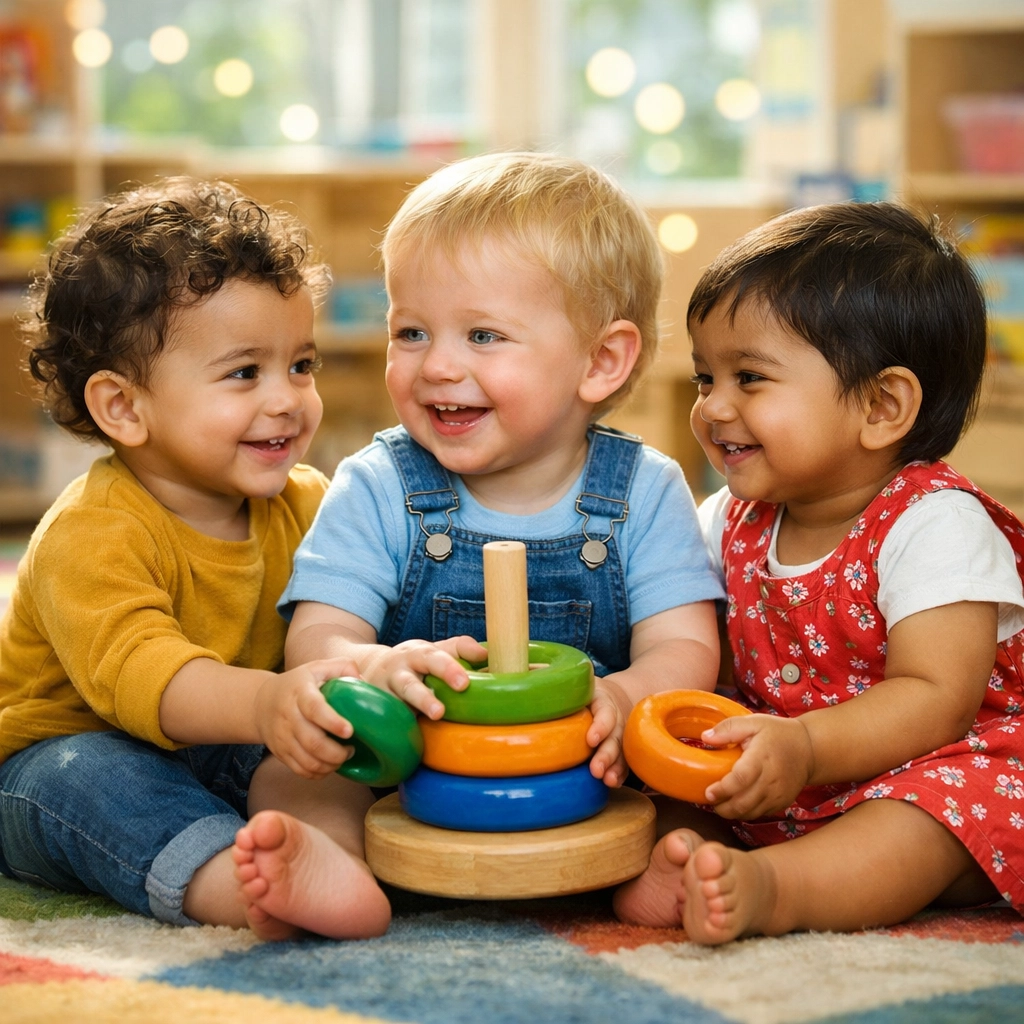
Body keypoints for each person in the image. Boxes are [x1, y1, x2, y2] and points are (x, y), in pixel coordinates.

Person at [281, 152, 724, 913]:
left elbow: (686, 646)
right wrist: (373, 666)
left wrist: (627, 696)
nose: (438, 366)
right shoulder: (379, 481)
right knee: (294, 773)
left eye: (483, 336)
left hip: (582, 776)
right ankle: (330, 869)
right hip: (413, 779)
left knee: (699, 793)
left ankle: (649, 878)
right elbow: (316, 636)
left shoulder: (645, 489)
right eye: (412, 332)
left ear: (600, 361)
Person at [614, 201, 1024, 944]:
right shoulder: (728, 520)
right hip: (777, 774)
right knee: (647, 783)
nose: (712, 407)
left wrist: (807, 748)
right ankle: (688, 863)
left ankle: (777, 890)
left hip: (922, 774)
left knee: (927, 816)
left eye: (749, 378)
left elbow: (938, 700)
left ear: (881, 405)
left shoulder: (934, 524)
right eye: (707, 378)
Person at [0, 178, 393, 942]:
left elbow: (360, 613)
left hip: (239, 743)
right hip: (64, 756)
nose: (288, 399)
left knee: (321, 753)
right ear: (123, 407)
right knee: (91, 782)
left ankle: (330, 863)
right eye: (245, 372)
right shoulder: (91, 531)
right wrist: (268, 704)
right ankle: (236, 887)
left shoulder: (310, 504)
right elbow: (147, 675)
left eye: (301, 365)